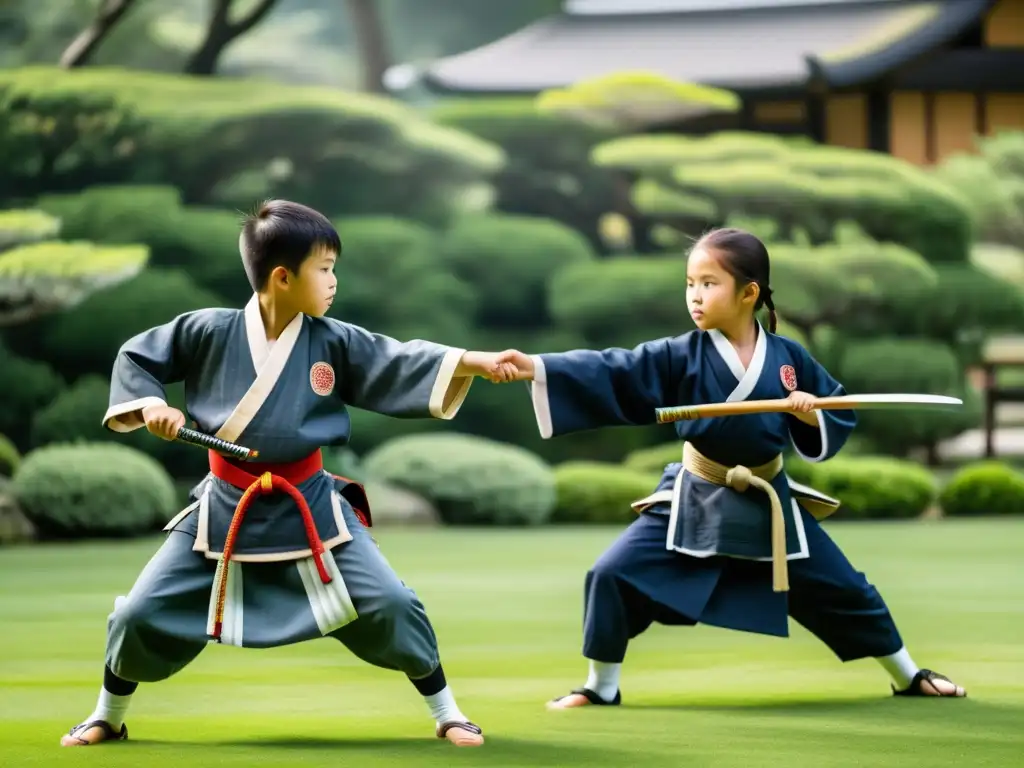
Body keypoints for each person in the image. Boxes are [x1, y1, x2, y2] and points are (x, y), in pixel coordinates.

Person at [60, 200, 517, 748]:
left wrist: (474, 361)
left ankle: (447, 712)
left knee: (392, 603)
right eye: (324, 268)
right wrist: (153, 406)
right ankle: (107, 714)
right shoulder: (208, 330)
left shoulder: (334, 340)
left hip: (312, 504)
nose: (333, 281)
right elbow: (137, 359)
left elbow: (398, 358)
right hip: (223, 508)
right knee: (138, 611)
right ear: (282, 276)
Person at [492, 227, 967, 709]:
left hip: (768, 499)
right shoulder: (678, 355)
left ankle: (908, 675)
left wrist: (808, 413)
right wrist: (536, 366)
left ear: (748, 292)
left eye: (708, 284)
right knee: (611, 574)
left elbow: (836, 412)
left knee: (846, 588)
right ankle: (600, 685)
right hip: (697, 493)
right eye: (689, 284)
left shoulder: (788, 358)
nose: (695, 297)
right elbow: (614, 368)